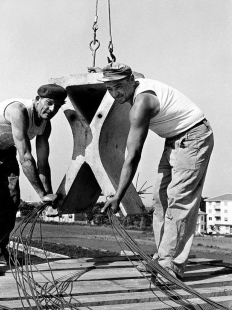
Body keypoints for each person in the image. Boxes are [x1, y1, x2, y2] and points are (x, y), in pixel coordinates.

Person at [100, 62, 214, 281]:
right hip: (174, 139)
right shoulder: (135, 87)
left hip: (194, 136)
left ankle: (170, 265)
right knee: (160, 200)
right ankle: (162, 258)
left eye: (119, 86)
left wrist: (118, 195)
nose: (115, 94)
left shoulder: (141, 104)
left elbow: (132, 155)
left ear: (132, 79)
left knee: (179, 200)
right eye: (109, 88)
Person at [0, 84, 67, 274]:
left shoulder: (46, 125)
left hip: (4, 151)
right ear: (37, 100)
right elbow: (26, 157)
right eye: (49, 103)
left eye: (57, 107)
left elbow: (43, 163)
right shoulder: (18, 110)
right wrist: (41, 194)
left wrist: (48, 196)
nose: (51, 110)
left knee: (11, 201)